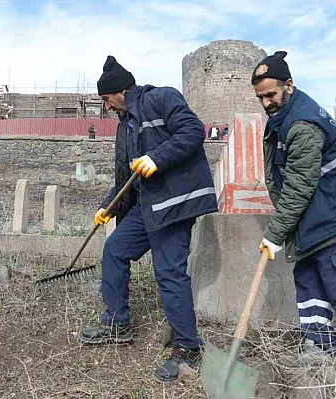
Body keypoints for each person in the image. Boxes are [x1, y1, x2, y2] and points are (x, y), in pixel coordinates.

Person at [78, 56, 218, 384]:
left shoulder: (161, 99)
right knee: (114, 249)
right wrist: (108, 206)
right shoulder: (125, 126)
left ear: (121, 90)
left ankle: (187, 347)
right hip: (147, 205)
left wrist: (158, 157)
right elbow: (126, 175)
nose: (106, 106)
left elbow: (193, 131)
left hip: (175, 202)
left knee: (168, 271)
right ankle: (117, 324)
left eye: (106, 98)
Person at [251, 51, 336, 383]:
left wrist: (275, 233)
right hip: (313, 222)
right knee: (309, 286)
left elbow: (299, 185)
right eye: (260, 97)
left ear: (289, 85)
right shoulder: (283, 118)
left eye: (271, 94)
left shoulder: (304, 124)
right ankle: (319, 352)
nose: (266, 102)